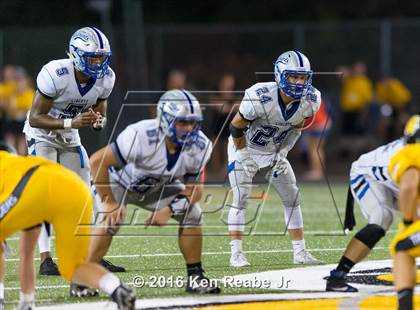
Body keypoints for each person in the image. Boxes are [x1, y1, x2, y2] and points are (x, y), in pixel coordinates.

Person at [88, 89, 220, 294]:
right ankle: (83, 279)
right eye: (182, 123)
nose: (189, 129)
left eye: (193, 123)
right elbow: (97, 162)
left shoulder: (201, 145)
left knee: (193, 213)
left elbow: (195, 190)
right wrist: (110, 203)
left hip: (155, 186)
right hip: (118, 182)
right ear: (165, 120)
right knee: (110, 220)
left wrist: (168, 210)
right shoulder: (140, 135)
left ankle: (196, 277)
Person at [22, 27, 124, 287]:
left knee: (84, 192)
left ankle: (91, 254)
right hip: (42, 134)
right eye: (93, 58)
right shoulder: (55, 73)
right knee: (44, 193)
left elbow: (100, 112)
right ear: (77, 55)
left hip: (70, 134)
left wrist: (96, 122)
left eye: (102, 58)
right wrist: (72, 122)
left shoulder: (106, 78)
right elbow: (35, 117)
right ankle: (46, 258)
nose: (99, 64)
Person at [0, 142, 136, 310]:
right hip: (75, 189)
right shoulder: (21, 163)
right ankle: (116, 288)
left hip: (33, 187)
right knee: (72, 268)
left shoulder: (7, 168)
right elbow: (26, 253)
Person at [227, 50, 321, 267]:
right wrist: (242, 154)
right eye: (293, 77)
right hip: (245, 147)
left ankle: (300, 252)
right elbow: (235, 126)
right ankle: (236, 254)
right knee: (241, 199)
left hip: (273, 151)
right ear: (280, 75)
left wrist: (283, 151)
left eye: (302, 77)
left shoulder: (311, 100)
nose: (298, 82)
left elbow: (297, 127)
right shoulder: (260, 95)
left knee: (292, 196)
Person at [326, 134, 407, 292]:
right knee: (382, 217)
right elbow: (409, 192)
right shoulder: (411, 158)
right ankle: (338, 276)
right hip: (368, 175)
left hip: (396, 179)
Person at [388, 115, 420, 310]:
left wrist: (408, 221)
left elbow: (409, 186)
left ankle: (405, 306)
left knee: (402, 248)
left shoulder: (410, 152)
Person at [4, 67, 34, 155]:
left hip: (23, 122)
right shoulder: (11, 92)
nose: (18, 83)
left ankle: (21, 159)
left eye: (21, 80)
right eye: (16, 81)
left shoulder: (29, 93)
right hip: (12, 122)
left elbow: (27, 110)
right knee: (10, 143)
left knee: (22, 144)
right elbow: (8, 109)